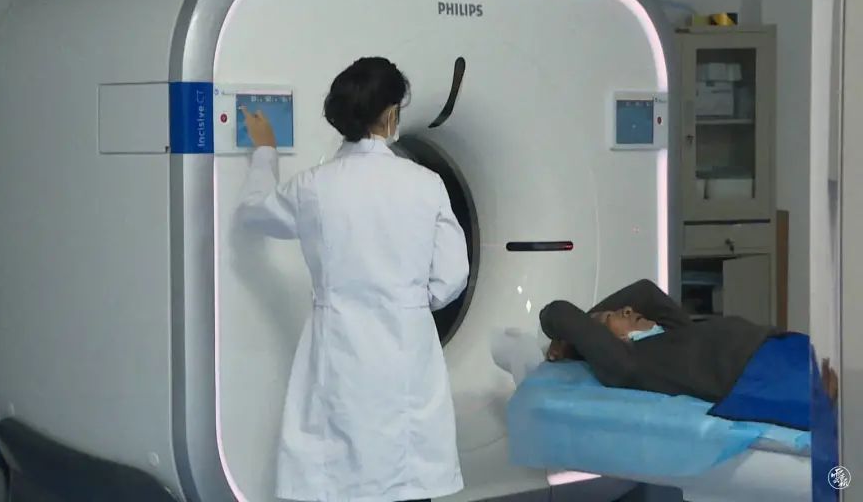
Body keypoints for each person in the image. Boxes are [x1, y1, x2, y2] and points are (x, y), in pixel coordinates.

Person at [238, 57, 469, 502]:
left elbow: (254, 212)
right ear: (391, 113)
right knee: (405, 474)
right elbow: (452, 276)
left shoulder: (313, 186)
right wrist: (410, 300)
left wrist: (265, 151)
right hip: (405, 346)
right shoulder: (426, 184)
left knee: (338, 472)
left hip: (338, 343)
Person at [540, 279, 836, 431]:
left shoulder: (673, 328)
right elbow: (559, 312)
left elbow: (644, 291)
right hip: (752, 376)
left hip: (776, 344)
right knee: (835, 399)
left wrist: (595, 319)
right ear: (604, 342)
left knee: (841, 370)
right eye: (612, 317)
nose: (628, 309)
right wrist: (568, 337)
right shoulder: (632, 362)